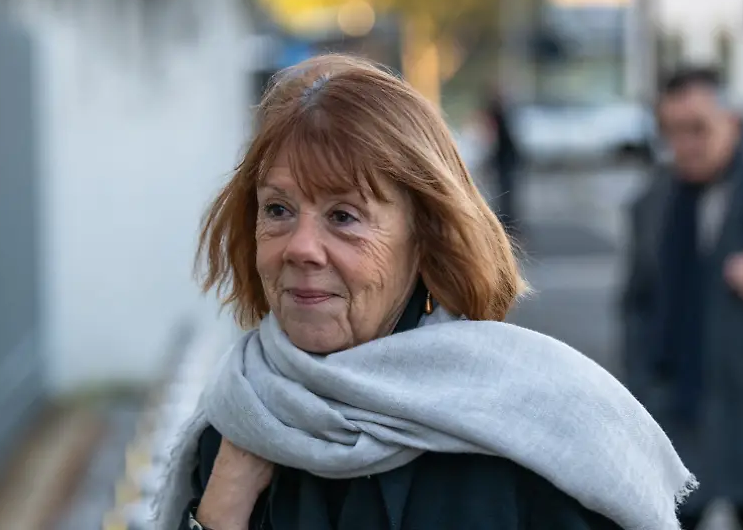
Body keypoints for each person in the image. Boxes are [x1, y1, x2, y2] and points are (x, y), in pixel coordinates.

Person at [155, 54, 694, 530]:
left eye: (344, 216)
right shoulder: (236, 424)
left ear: (426, 236)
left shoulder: (534, 430)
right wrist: (219, 515)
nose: (301, 247)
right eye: (278, 210)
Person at [621, 67, 743, 530]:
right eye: (672, 132)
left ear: (733, 123)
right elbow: (636, 303)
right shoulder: (654, 199)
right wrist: (641, 384)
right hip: (675, 416)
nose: (685, 145)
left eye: (698, 128)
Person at [483, 84, 522, 234]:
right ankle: (508, 224)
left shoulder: (498, 114)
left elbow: (495, 140)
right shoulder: (503, 113)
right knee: (507, 194)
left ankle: (508, 224)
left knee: (506, 194)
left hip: (505, 161)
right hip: (506, 161)